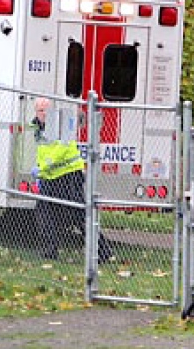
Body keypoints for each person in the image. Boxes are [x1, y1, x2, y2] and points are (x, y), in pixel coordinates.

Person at [31, 97, 112, 262]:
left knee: (78, 215)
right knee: (44, 213)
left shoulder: (61, 123)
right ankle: (49, 251)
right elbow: (43, 151)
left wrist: (42, 167)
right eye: (40, 110)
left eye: (46, 110)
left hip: (68, 176)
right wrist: (40, 170)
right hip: (50, 176)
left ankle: (102, 251)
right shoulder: (38, 127)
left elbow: (62, 149)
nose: (44, 113)